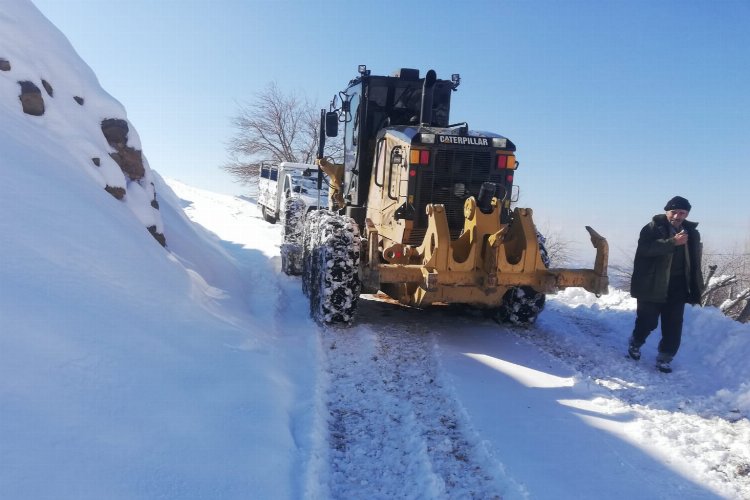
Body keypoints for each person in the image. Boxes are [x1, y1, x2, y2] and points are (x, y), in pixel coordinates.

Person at [628, 196, 704, 373]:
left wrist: (696, 285)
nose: (677, 216)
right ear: (667, 211)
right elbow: (645, 250)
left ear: (686, 214)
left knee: (673, 324)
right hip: (652, 284)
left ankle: (665, 358)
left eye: (682, 213)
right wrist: (672, 242)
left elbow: (694, 261)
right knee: (648, 321)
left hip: (678, 285)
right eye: (674, 212)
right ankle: (635, 343)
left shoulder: (692, 232)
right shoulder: (652, 228)